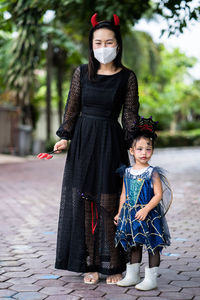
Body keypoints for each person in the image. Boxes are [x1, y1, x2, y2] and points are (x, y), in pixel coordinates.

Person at [53, 13, 139, 284]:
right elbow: (72, 108)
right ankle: (88, 264)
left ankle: (112, 265)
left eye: (109, 42)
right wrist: (65, 136)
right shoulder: (81, 73)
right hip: (83, 142)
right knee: (84, 203)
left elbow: (130, 117)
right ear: (92, 46)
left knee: (109, 203)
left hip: (111, 143)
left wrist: (136, 146)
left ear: (118, 44)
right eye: (98, 43)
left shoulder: (127, 77)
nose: (104, 48)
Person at [114, 116, 172, 290]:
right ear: (131, 151)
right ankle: (132, 275)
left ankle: (151, 279)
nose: (144, 152)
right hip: (131, 214)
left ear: (152, 151)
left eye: (148, 149)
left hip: (149, 214)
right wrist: (119, 212)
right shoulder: (128, 172)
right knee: (134, 244)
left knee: (152, 245)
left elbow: (158, 195)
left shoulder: (152, 172)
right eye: (139, 149)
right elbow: (124, 194)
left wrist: (146, 209)